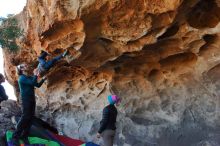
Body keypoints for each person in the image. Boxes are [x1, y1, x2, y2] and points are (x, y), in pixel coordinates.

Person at [11, 64, 46, 145]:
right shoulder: (22, 78)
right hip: (25, 100)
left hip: (31, 99)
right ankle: (15, 136)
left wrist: (43, 79)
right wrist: (35, 75)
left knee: (30, 118)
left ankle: (24, 136)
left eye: (25, 65)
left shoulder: (27, 77)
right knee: (25, 117)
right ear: (21, 70)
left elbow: (37, 85)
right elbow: (32, 82)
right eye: (23, 66)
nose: (26, 66)